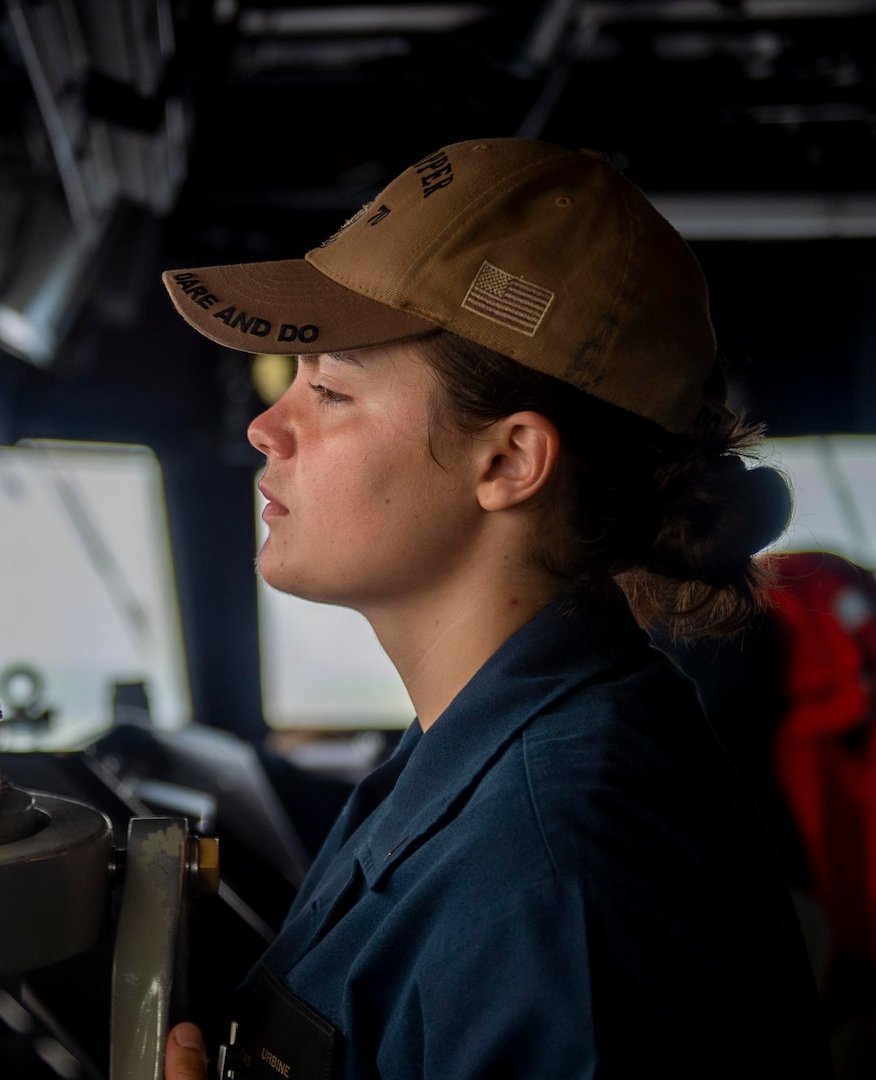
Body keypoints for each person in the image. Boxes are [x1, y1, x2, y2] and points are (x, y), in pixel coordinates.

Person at [156, 139, 831, 1079]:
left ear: (509, 462)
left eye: (333, 389)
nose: (266, 429)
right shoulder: (467, 749)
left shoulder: (561, 876)